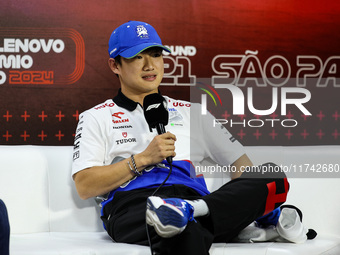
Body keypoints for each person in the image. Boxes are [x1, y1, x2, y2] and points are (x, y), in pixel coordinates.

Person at [71, 21, 289, 254]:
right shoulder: (96, 117)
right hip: (135, 206)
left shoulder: (194, 112)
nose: (149, 65)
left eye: (155, 55)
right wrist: (143, 159)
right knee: (184, 230)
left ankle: (191, 210)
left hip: (196, 202)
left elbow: (243, 168)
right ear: (115, 65)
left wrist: (240, 200)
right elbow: (84, 186)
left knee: (271, 175)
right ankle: (209, 219)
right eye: (137, 57)